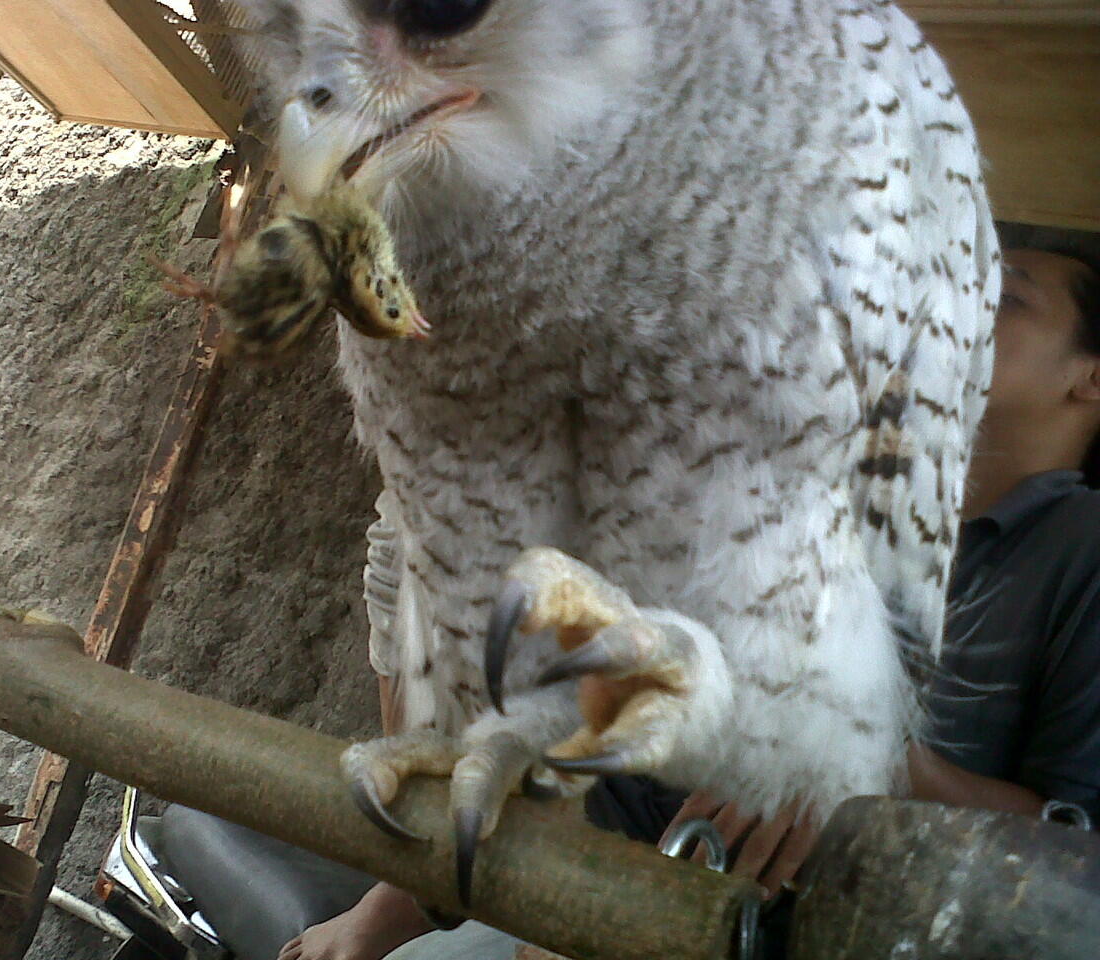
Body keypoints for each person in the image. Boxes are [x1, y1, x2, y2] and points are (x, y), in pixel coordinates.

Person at [277, 246, 1100, 960]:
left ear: (1089, 378)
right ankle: (408, 898)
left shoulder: (1080, 551)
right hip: (628, 861)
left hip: (794, 921)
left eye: (1004, 298)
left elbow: (1076, 864)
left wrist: (865, 768)